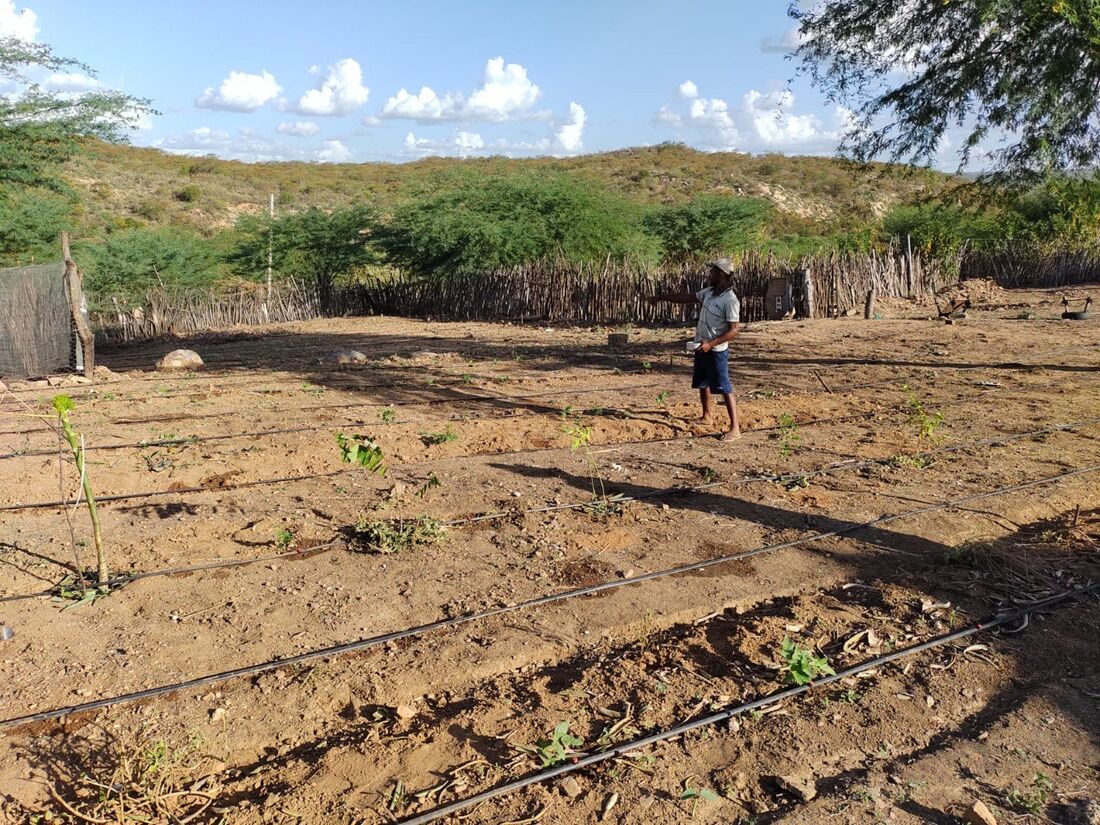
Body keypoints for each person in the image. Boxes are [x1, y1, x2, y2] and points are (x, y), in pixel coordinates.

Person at [649, 258, 742, 441]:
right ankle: (707, 416)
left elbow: (734, 330)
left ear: (722, 274)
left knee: (724, 386)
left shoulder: (730, 300)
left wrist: (711, 344)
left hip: (716, 349)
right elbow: (687, 298)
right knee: (703, 382)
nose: (710, 275)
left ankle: (735, 428)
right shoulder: (709, 293)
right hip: (702, 345)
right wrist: (661, 297)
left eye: (713, 272)